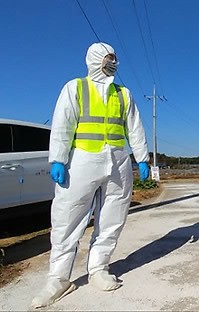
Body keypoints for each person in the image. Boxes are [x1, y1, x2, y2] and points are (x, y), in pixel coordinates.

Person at [31, 42, 150, 309]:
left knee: (112, 218)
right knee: (67, 218)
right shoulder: (75, 87)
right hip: (82, 161)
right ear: (95, 59)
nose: (113, 63)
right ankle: (58, 279)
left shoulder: (124, 93)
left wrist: (142, 158)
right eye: (109, 58)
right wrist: (58, 159)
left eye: (115, 59)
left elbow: (135, 127)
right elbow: (62, 124)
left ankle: (99, 268)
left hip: (118, 161)